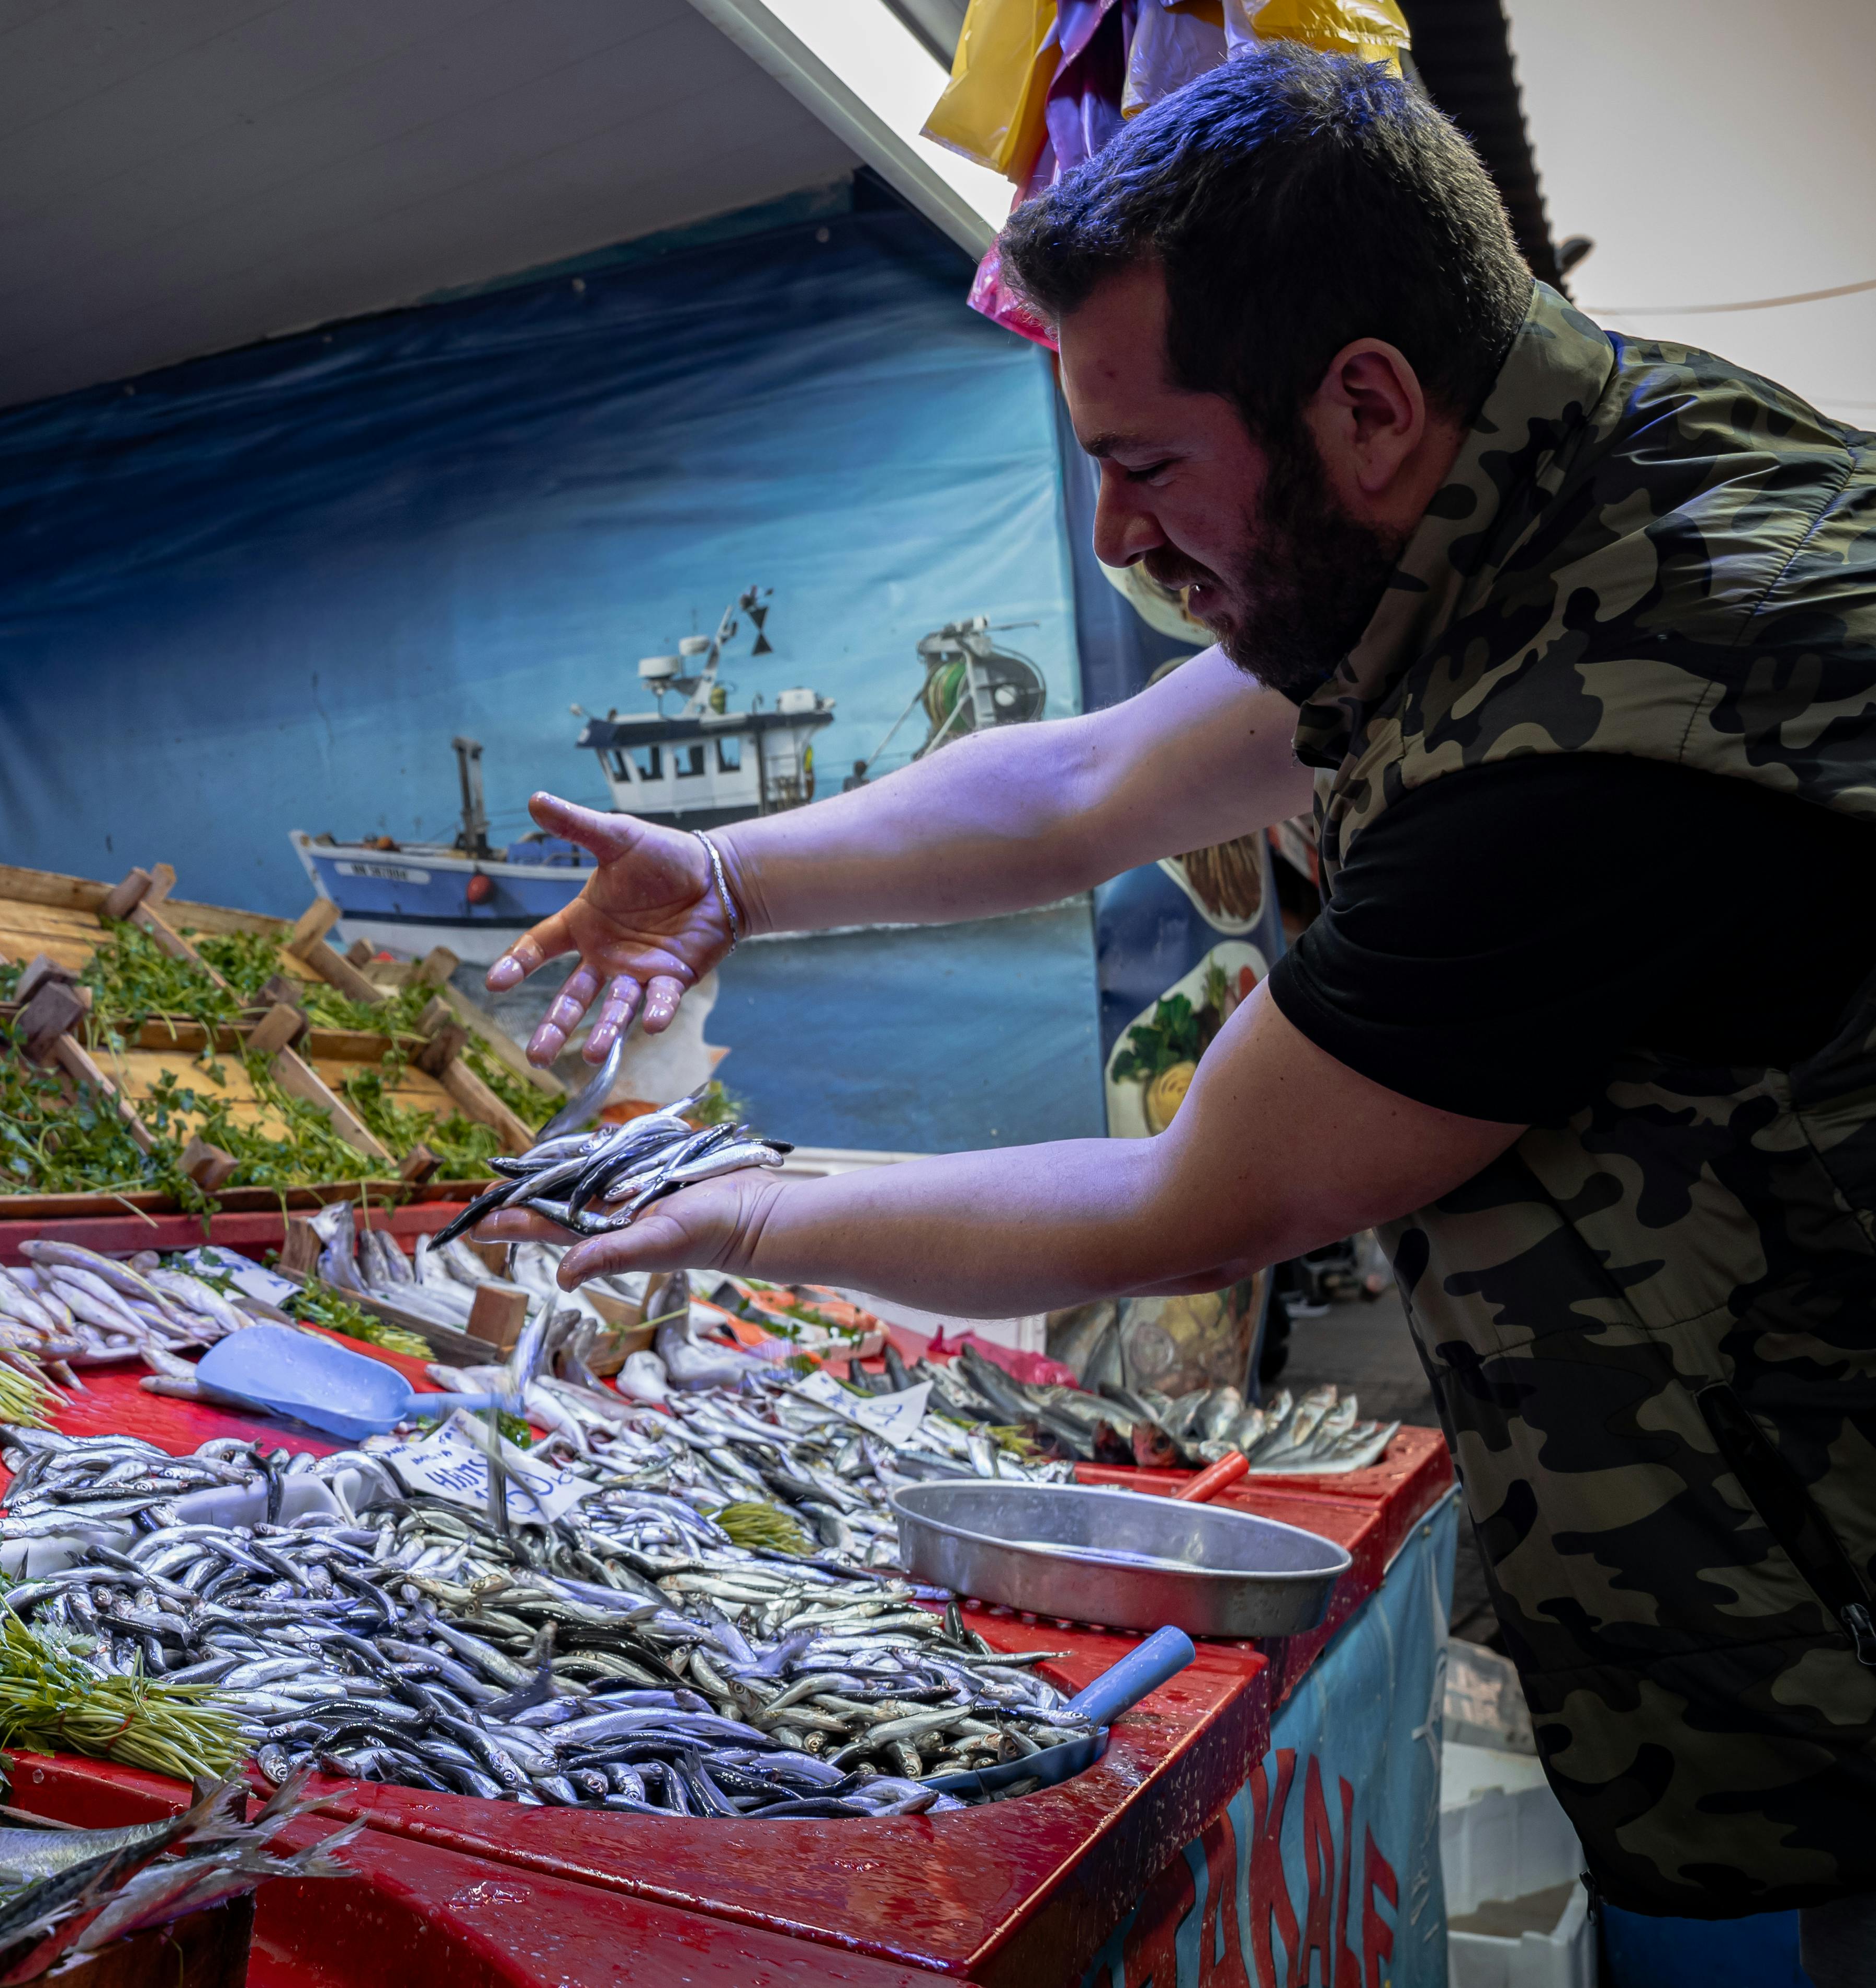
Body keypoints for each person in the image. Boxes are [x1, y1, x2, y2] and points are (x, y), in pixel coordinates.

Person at [482, 41, 1876, 1958]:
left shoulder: (1599, 736)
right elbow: (1093, 785)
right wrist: (726, 875)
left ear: (1367, 405)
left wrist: (740, 1207)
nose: (1119, 541)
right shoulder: (1548, 484)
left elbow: (1196, 1200)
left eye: (1145, 469)